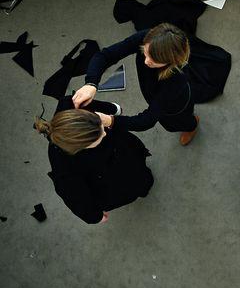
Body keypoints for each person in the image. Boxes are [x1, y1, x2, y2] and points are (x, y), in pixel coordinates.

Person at [72, 23, 199, 146]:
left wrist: (111, 121)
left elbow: (147, 120)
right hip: (151, 89)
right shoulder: (145, 38)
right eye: (145, 52)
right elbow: (105, 55)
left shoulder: (177, 78)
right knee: (156, 106)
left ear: (172, 60)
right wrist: (90, 84)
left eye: (155, 60)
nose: (146, 61)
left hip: (175, 105)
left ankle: (192, 126)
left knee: (176, 123)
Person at [35, 96, 154, 224]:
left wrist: (112, 109)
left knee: (139, 166)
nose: (105, 133)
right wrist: (95, 216)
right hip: (110, 179)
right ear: (82, 146)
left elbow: (90, 103)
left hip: (122, 150)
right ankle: (142, 188)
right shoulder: (63, 168)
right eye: (99, 135)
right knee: (138, 184)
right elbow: (75, 198)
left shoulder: (70, 106)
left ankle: (144, 182)